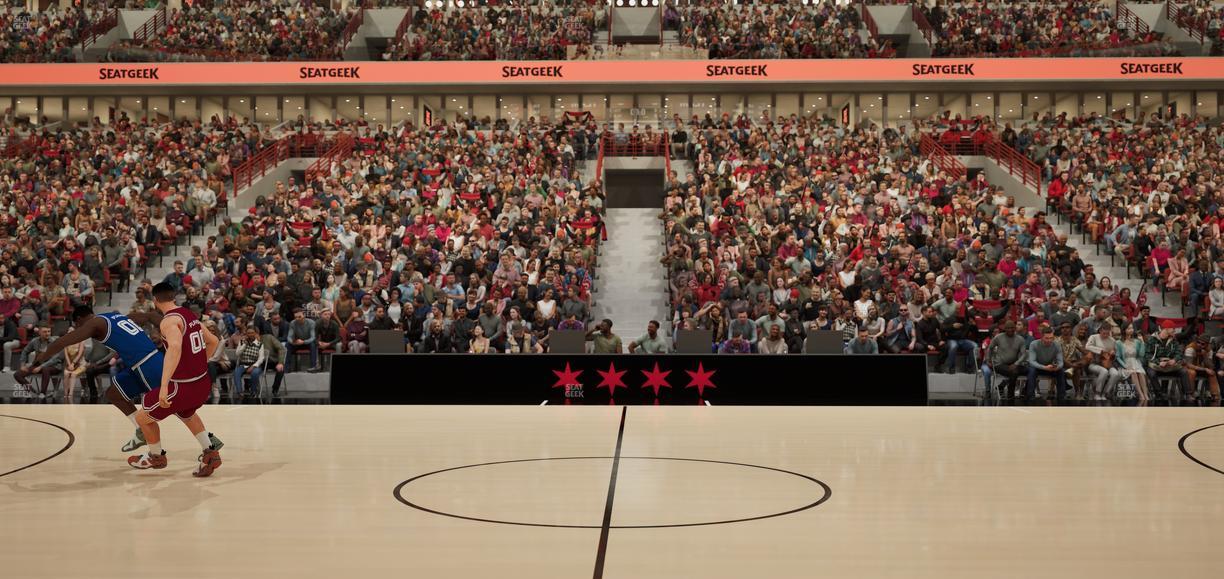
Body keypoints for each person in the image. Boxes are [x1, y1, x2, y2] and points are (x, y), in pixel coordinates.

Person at [16, 304, 223, 453]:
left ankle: (208, 441)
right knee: (113, 393)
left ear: (79, 320)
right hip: (142, 363)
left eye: (78, 326)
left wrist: (34, 364)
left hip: (147, 364)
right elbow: (149, 315)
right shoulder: (117, 316)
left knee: (174, 405)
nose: (80, 330)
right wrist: (165, 329)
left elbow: (62, 342)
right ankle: (141, 431)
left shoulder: (94, 324)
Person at [127, 282, 223, 477]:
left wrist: (164, 386)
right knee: (187, 414)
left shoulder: (168, 321)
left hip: (182, 387)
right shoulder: (188, 314)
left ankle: (156, 457)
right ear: (174, 297)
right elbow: (213, 341)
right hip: (202, 382)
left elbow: (175, 347)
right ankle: (210, 453)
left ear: (155, 300)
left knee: (142, 418)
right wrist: (199, 363)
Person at [1145, 322, 1190, 402]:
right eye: (1173, 329)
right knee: (1151, 373)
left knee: (1183, 371)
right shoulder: (1152, 339)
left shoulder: (1173, 339)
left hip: (1170, 367)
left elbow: (1179, 353)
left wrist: (1174, 360)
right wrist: (1158, 361)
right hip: (1157, 366)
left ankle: (1188, 394)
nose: (1174, 331)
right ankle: (1159, 394)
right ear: (1166, 329)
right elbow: (1147, 355)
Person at [983, 321, 1025, 401]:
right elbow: (990, 348)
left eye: (1012, 328)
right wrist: (988, 360)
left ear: (1015, 328)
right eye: (1008, 328)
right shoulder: (998, 337)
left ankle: (1026, 392)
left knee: (1030, 370)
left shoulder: (1020, 339)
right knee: (1014, 372)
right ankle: (1010, 394)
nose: (1010, 329)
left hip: (1013, 364)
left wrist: (1016, 363)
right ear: (1005, 329)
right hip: (999, 364)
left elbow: (1024, 354)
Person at [1083, 322, 1123, 401]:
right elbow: (1087, 346)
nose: (1106, 335)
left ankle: (1105, 393)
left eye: (1108, 333)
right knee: (1104, 371)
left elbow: (1114, 355)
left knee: (1116, 374)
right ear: (1100, 330)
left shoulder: (1112, 340)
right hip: (1094, 363)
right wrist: (1101, 351)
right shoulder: (1093, 337)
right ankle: (1097, 393)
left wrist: (1112, 354)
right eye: (1104, 333)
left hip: (1107, 363)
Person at [1026, 327, 1067, 401]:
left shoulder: (1057, 345)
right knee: (1031, 370)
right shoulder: (1034, 344)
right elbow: (1032, 362)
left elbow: (1061, 362)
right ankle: (1030, 397)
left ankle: (1061, 397)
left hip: (1051, 367)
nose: (1049, 340)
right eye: (1046, 338)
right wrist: (1044, 367)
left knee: (1061, 371)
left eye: (1051, 338)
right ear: (1041, 337)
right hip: (1038, 367)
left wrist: (1057, 367)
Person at [1115, 325, 1149, 403]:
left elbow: (1141, 355)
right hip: (1125, 364)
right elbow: (1118, 357)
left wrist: (1142, 342)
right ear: (1124, 330)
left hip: (1136, 362)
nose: (1131, 330)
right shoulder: (1119, 343)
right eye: (1129, 328)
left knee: (1140, 373)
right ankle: (1141, 395)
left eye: (1132, 328)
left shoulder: (1137, 341)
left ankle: (1146, 395)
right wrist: (1125, 366)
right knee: (1133, 373)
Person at [232, 326, 267, 399]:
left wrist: (253, 366)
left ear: (255, 333)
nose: (250, 334)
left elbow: (261, 358)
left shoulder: (259, 344)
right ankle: (240, 392)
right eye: (248, 333)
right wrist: (245, 344)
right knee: (236, 372)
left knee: (254, 373)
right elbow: (237, 353)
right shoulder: (242, 342)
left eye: (252, 333)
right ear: (246, 334)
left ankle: (253, 391)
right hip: (243, 364)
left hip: (255, 365)